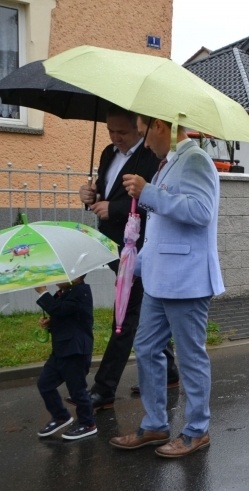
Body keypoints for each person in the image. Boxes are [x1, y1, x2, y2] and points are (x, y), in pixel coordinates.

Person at [110, 114, 224, 458]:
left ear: (161, 126)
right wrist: (137, 265)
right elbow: (161, 227)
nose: (144, 143)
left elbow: (201, 211)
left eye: (145, 133)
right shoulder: (167, 164)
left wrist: (150, 193)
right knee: (145, 349)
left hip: (187, 281)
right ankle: (156, 423)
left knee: (190, 359)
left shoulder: (196, 160)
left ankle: (196, 430)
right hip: (160, 278)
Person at [77, 105, 179, 411]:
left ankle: (104, 388)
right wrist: (91, 196)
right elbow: (106, 192)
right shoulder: (108, 152)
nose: (115, 137)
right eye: (110, 131)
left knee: (126, 312)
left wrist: (115, 209)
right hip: (110, 242)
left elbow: (154, 205)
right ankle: (169, 369)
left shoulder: (153, 158)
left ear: (139, 128)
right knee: (139, 305)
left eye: (122, 132)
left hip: (138, 247)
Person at [34, 275, 97, 440]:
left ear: (76, 277)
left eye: (61, 274)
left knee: (77, 391)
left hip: (75, 351)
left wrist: (42, 293)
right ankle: (60, 415)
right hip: (61, 350)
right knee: (45, 384)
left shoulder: (81, 292)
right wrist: (51, 323)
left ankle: (88, 424)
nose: (56, 277)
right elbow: (62, 314)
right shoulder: (64, 293)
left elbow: (60, 310)